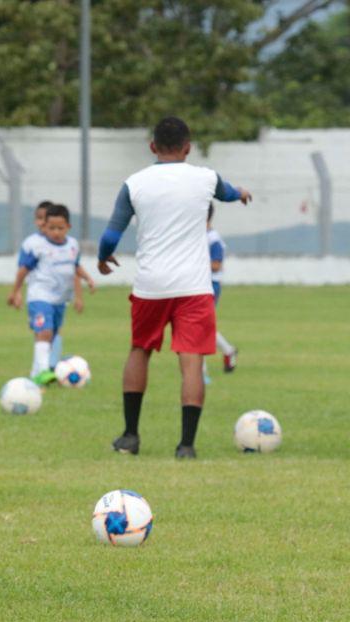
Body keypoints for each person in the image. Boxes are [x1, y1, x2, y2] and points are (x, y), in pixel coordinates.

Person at [97, 116, 251, 459]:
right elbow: (227, 192)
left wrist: (103, 258)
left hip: (151, 285)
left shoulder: (134, 183)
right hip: (194, 287)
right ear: (188, 147)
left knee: (140, 350)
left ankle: (130, 437)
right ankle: (186, 446)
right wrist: (241, 193)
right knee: (192, 360)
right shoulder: (204, 177)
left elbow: (110, 235)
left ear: (152, 147)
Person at [8, 204, 87, 385]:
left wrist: (85, 285)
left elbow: (75, 268)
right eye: (52, 228)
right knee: (44, 332)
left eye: (60, 228)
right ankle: (44, 372)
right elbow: (23, 270)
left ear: (68, 227)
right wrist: (16, 292)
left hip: (60, 300)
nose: (56, 232)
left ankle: (37, 373)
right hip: (40, 297)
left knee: (52, 335)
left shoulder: (73, 245)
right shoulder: (35, 245)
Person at [207, 203, 238, 373]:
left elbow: (216, 265)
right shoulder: (199, 236)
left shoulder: (213, 239)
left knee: (200, 326)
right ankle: (228, 350)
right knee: (202, 326)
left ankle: (199, 371)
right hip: (198, 284)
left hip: (211, 285)